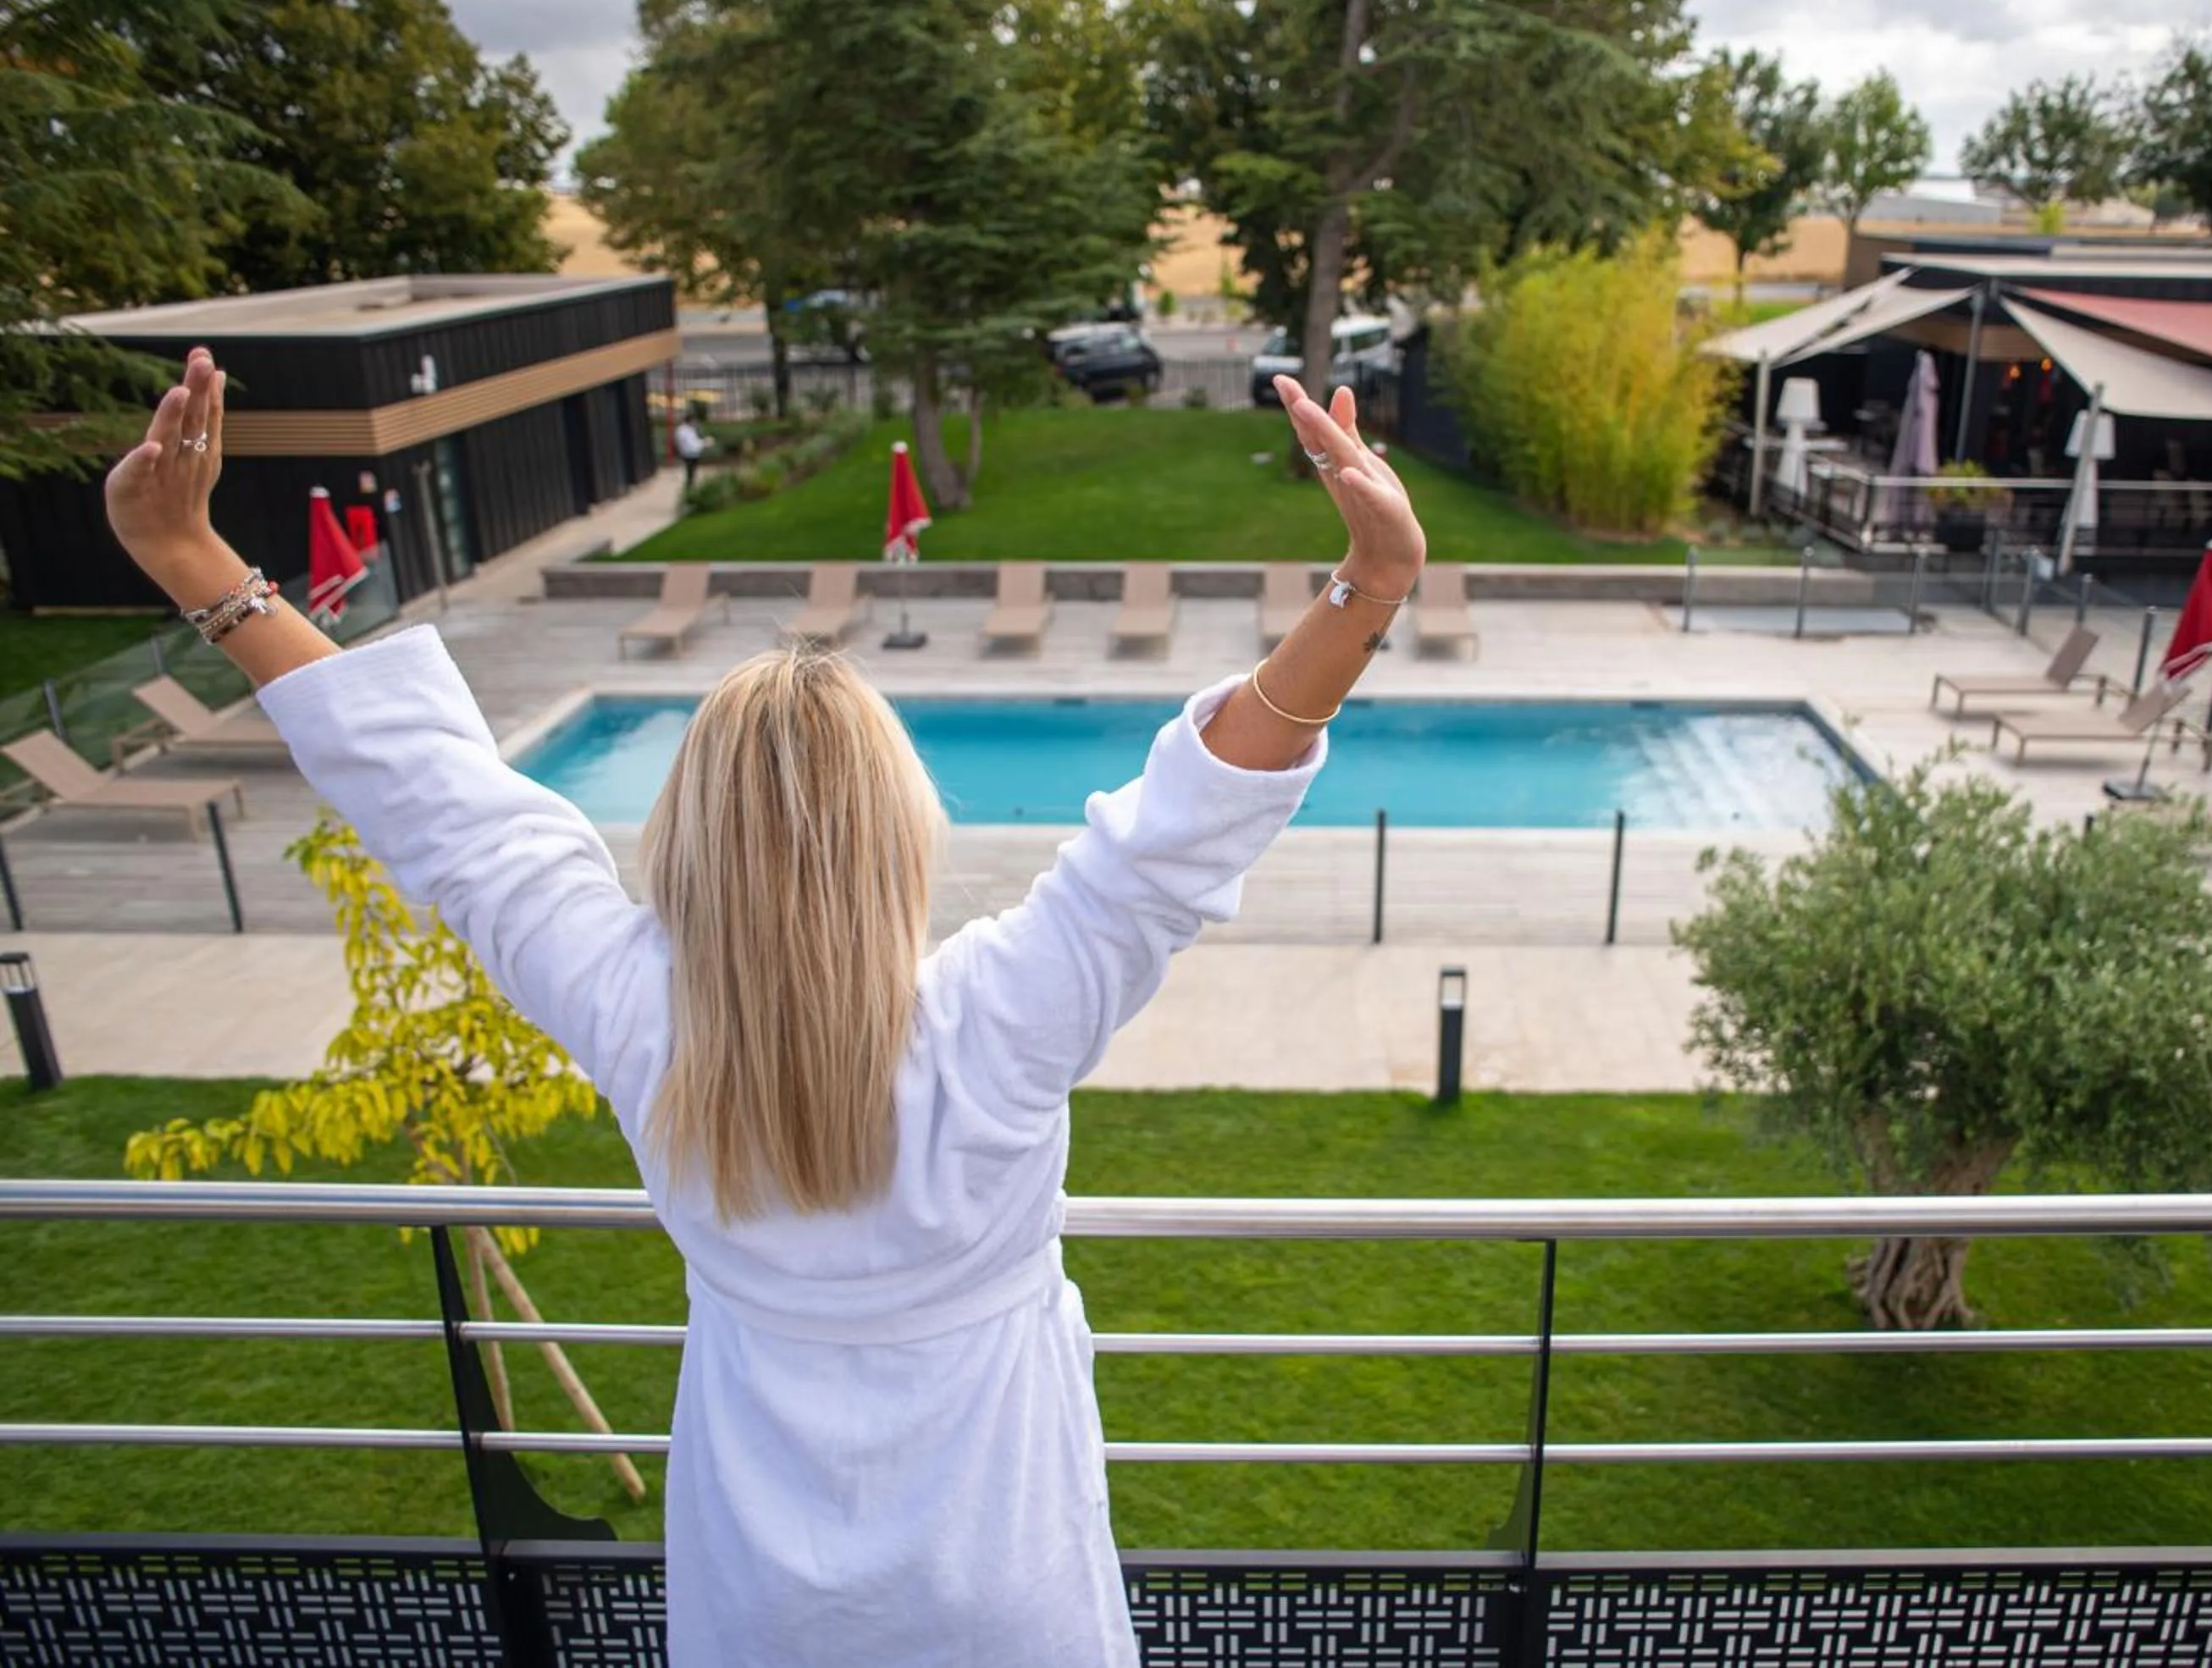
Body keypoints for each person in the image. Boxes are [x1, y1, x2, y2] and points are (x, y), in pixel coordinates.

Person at [101, 351, 1426, 1668]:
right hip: (1004, 1585)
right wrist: (1368, 588)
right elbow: (1175, 838)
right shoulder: (997, 1017)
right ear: (900, 827)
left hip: (763, 1603)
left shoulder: (636, 1009)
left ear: (690, 832)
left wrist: (191, 557)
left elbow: (438, 804)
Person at [673, 411, 708, 489]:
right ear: (690, 421)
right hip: (689, 453)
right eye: (694, 421)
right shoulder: (685, 431)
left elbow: (694, 441)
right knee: (690, 470)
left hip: (691, 452)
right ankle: (689, 486)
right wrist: (704, 444)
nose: (696, 423)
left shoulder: (689, 429)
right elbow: (691, 443)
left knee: (692, 471)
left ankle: (690, 484)